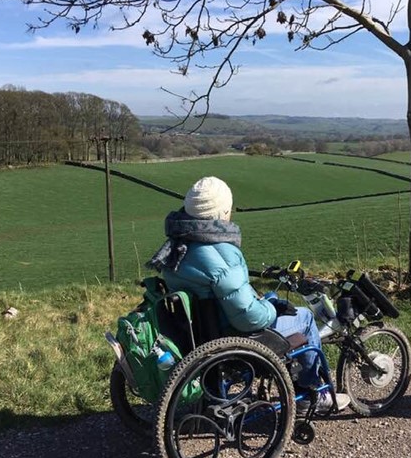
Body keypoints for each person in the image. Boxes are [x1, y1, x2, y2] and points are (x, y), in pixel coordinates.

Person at [147, 176, 350, 414]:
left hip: (200, 334)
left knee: (271, 304)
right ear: (222, 212)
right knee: (304, 318)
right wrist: (273, 308)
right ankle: (313, 392)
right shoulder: (220, 253)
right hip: (232, 336)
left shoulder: (175, 249)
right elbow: (248, 317)